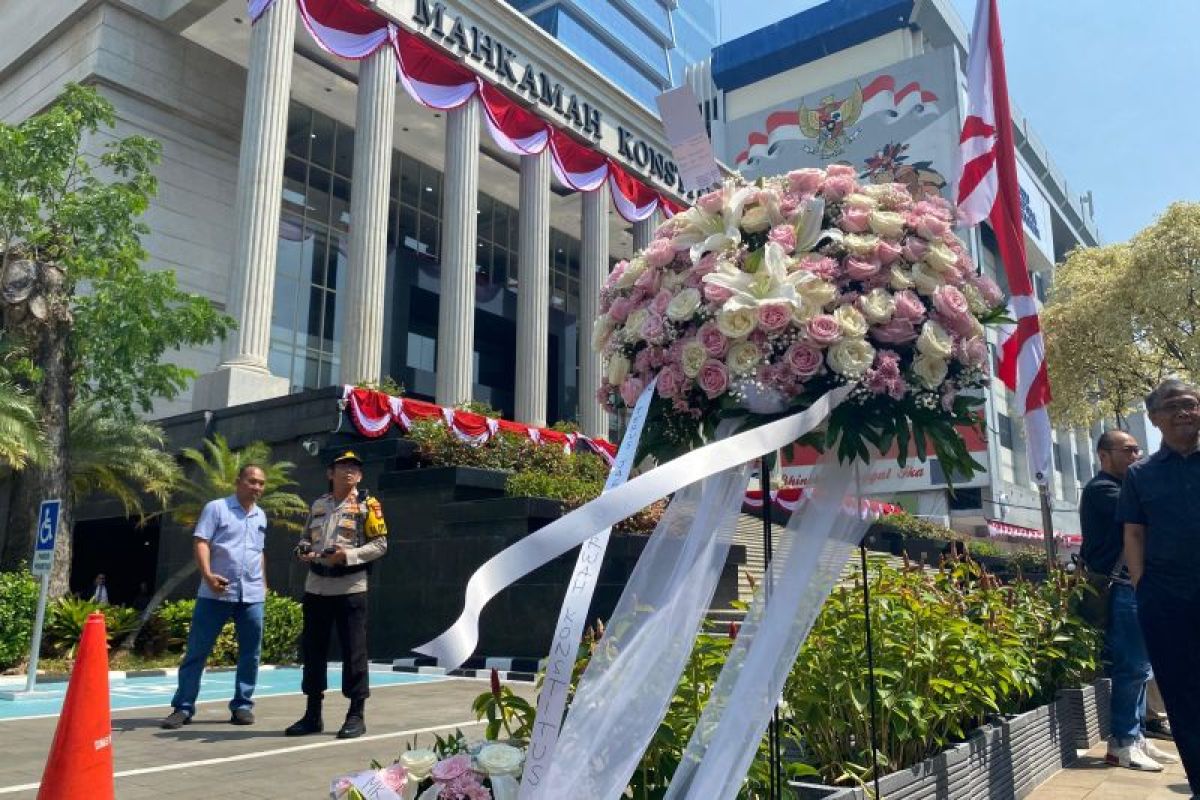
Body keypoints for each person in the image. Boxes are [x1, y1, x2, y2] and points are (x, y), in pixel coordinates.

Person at [1120, 379, 1200, 796]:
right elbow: (1134, 535)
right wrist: (1143, 588)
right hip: (1166, 596)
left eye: (1191, 404)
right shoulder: (1140, 474)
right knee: (1182, 691)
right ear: (1154, 419)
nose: (1185, 411)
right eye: (1174, 406)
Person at [1079, 429, 1176, 770]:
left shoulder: (1123, 488)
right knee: (1131, 668)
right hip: (1121, 588)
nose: (1137, 456)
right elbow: (1149, 515)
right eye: (1129, 450)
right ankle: (1121, 742)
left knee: (1141, 668)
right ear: (1104, 456)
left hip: (1136, 587)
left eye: (1138, 450)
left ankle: (1135, 737)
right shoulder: (1103, 489)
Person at [286, 450, 388, 740]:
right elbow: (306, 537)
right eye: (342, 466)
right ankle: (312, 713)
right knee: (313, 651)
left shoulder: (368, 505)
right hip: (316, 585)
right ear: (330, 473)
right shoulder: (319, 504)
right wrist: (303, 549)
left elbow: (380, 545)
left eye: (354, 467)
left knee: (354, 652)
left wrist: (348, 555)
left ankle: (356, 714)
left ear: (360, 475)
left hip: (350, 586)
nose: (349, 471)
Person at [161, 465, 269, 729]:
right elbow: (201, 542)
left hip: (252, 594)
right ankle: (183, 707)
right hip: (215, 593)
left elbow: (259, 552)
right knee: (197, 651)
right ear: (238, 482)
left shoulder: (261, 516)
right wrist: (208, 575)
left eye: (261, 483)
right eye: (251, 481)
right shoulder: (217, 508)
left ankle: (242, 705)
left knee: (250, 654)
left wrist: (264, 584)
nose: (256, 487)